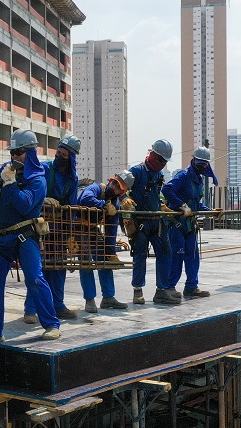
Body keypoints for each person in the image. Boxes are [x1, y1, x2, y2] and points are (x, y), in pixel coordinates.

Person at [0, 129, 61, 344]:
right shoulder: (8, 170)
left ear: (31, 153)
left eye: (19, 152)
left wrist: (9, 183)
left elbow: (25, 205)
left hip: (26, 236)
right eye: (13, 152)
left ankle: (52, 325)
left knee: (35, 278)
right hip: (3, 237)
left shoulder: (37, 180)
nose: (14, 156)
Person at [25, 134, 81, 322]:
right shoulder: (44, 168)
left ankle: (57, 305)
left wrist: (70, 234)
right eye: (59, 152)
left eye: (64, 154)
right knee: (37, 267)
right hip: (38, 226)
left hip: (58, 228)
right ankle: (31, 309)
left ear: (71, 157)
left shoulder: (72, 178)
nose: (60, 156)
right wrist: (43, 200)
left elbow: (72, 207)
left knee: (58, 266)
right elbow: (31, 189)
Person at [128, 139, 178, 305]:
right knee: (140, 254)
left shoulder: (159, 175)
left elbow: (156, 196)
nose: (162, 164)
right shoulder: (136, 171)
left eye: (165, 161)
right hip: (141, 221)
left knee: (166, 252)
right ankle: (137, 290)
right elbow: (118, 186)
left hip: (156, 221)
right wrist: (123, 200)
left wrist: (162, 206)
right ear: (151, 155)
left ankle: (162, 290)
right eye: (160, 160)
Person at [163, 149, 217, 299]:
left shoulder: (198, 179)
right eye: (199, 163)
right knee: (177, 255)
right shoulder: (184, 176)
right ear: (193, 160)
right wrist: (181, 205)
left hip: (190, 225)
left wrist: (211, 211)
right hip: (177, 224)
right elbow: (167, 189)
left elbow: (195, 203)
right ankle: (169, 287)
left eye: (204, 164)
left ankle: (191, 287)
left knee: (193, 256)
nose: (202, 166)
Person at [77, 171, 132, 313]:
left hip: (92, 229)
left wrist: (111, 253)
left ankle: (108, 297)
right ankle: (90, 300)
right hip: (77, 227)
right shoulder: (96, 188)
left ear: (122, 192)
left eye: (118, 186)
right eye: (114, 183)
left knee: (105, 261)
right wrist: (103, 205)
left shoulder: (114, 205)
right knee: (86, 262)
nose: (114, 186)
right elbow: (85, 199)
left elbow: (111, 231)